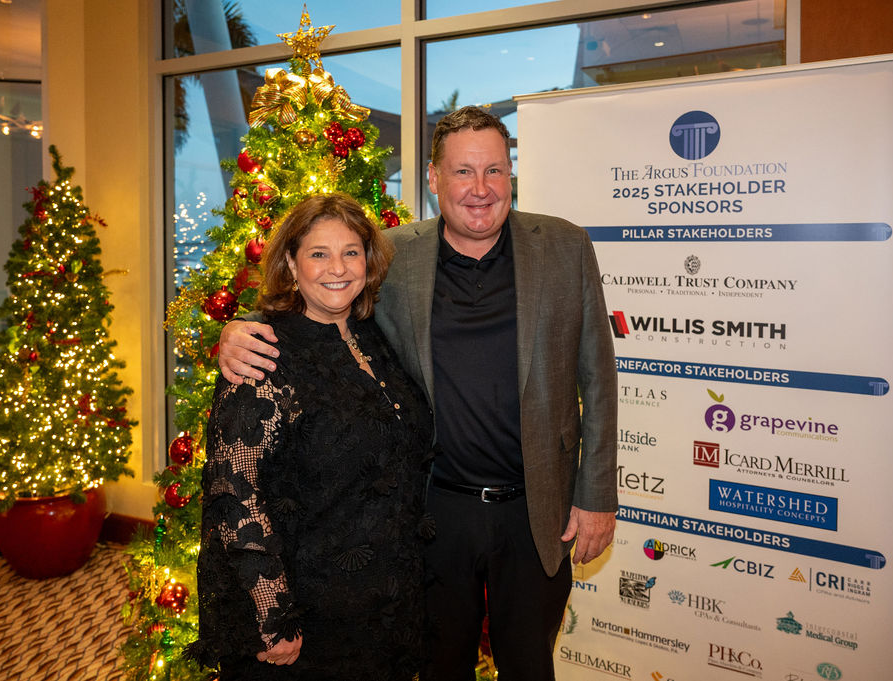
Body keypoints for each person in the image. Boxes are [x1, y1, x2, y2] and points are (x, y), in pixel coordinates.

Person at [218, 106, 618, 681]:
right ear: (433, 178)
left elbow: (598, 377)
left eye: (494, 170)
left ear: (510, 173)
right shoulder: (392, 253)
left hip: (537, 512)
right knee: (438, 666)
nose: (480, 189)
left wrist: (597, 496)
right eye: (462, 172)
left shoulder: (564, 245)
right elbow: (323, 296)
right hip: (432, 515)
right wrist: (241, 328)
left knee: (531, 665)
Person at [188, 192, 434, 681]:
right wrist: (272, 613)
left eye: (351, 252)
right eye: (319, 253)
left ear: (368, 261)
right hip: (307, 614)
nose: (337, 268)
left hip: (386, 601)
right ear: (290, 264)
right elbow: (234, 494)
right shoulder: (262, 354)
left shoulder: (373, 335)